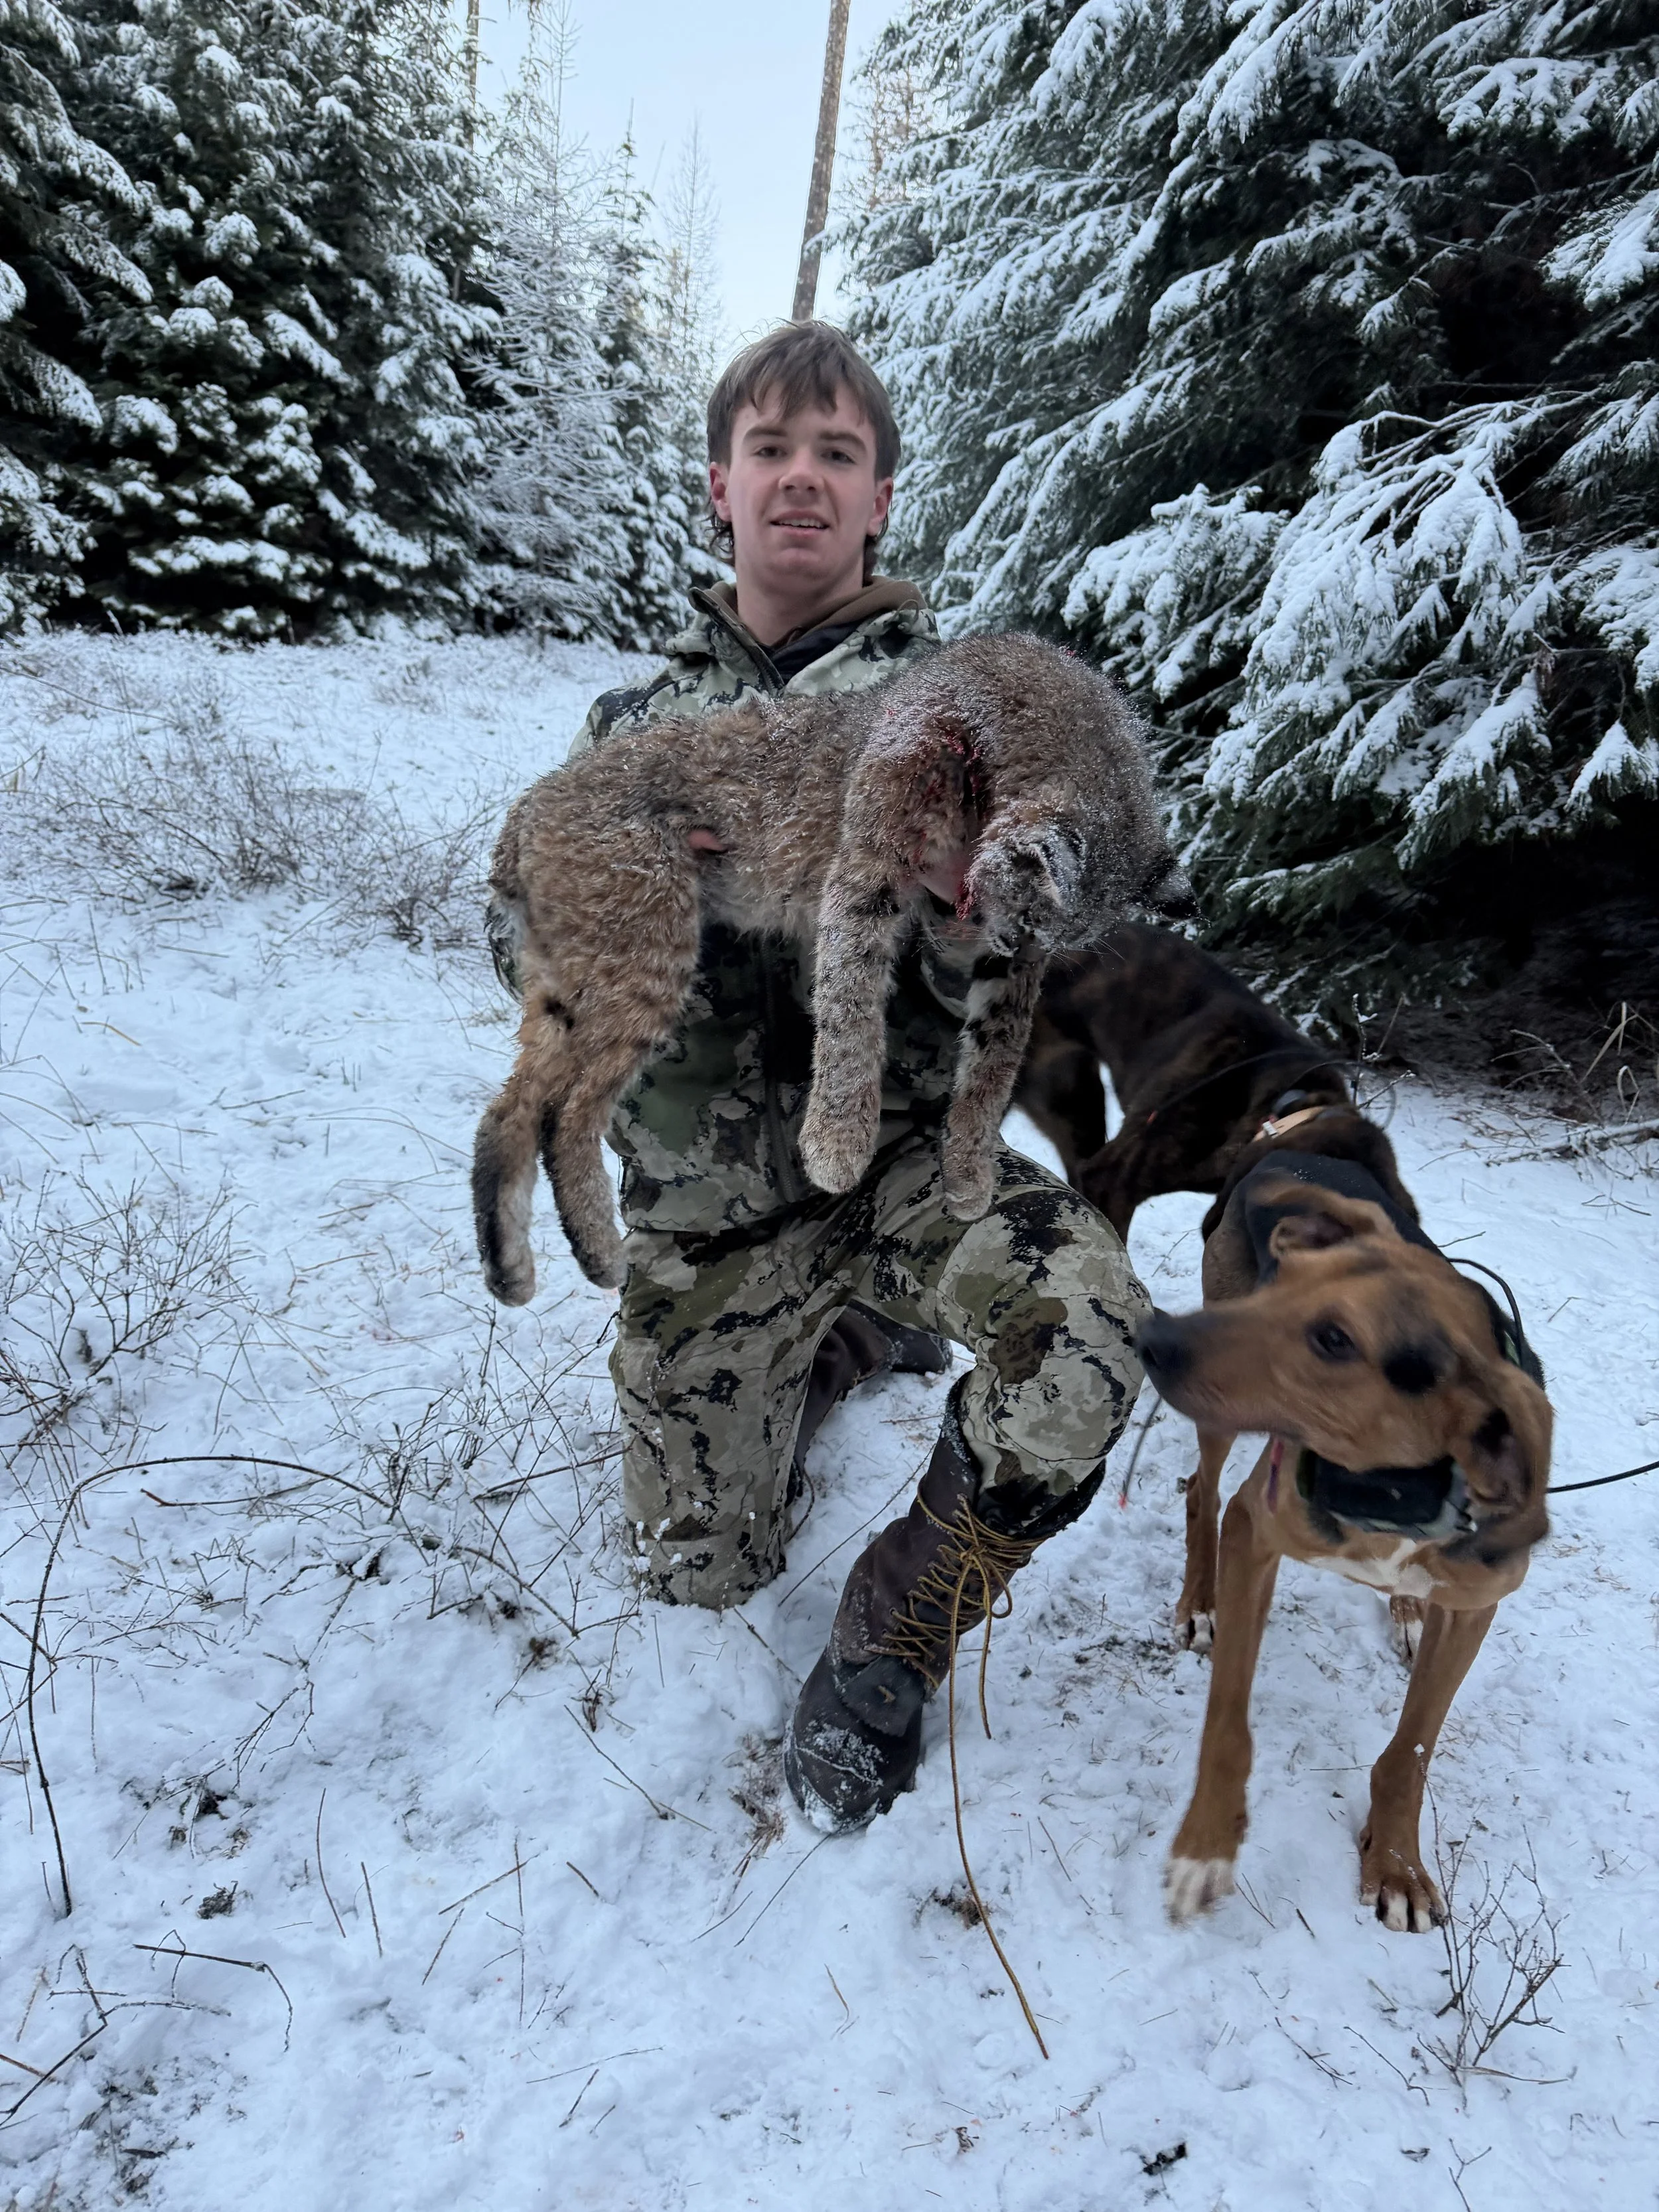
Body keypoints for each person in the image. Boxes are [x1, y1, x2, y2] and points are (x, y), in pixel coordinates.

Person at [488, 323, 1149, 1833]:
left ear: (880, 502)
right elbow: (507, 931)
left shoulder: (968, 708)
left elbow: (1091, 888)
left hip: (917, 1175)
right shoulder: (628, 732)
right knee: (691, 1571)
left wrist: (976, 889)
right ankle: (832, 1347)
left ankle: (896, 1622)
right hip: (712, 1223)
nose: (800, 479)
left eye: (834, 455)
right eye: (770, 451)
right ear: (719, 488)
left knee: (1089, 1333)